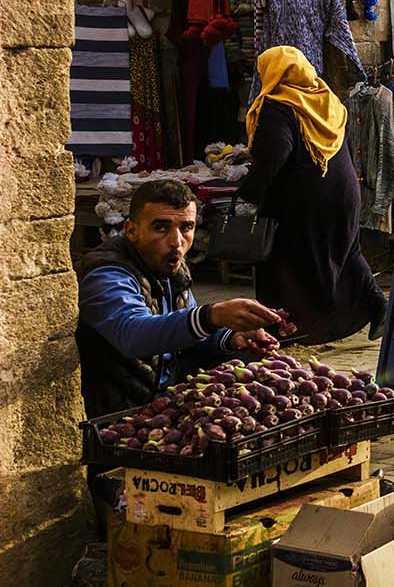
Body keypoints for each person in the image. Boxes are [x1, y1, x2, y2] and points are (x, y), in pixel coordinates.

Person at [76, 178, 283, 422]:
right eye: (161, 227)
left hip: (161, 404)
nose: (176, 242)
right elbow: (132, 333)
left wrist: (232, 336)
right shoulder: (107, 274)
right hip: (118, 414)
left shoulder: (169, 267)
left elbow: (186, 330)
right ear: (132, 230)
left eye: (186, 227)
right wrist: (212, 315)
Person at [237, 46, 387, 343]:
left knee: (287, 264)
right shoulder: (325, 99)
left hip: (305, 203)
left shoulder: (278, 106)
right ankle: (378, 305)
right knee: (346, 251)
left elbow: (275, 156)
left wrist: (249, 190)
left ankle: (291, 329)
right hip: (343, 195)